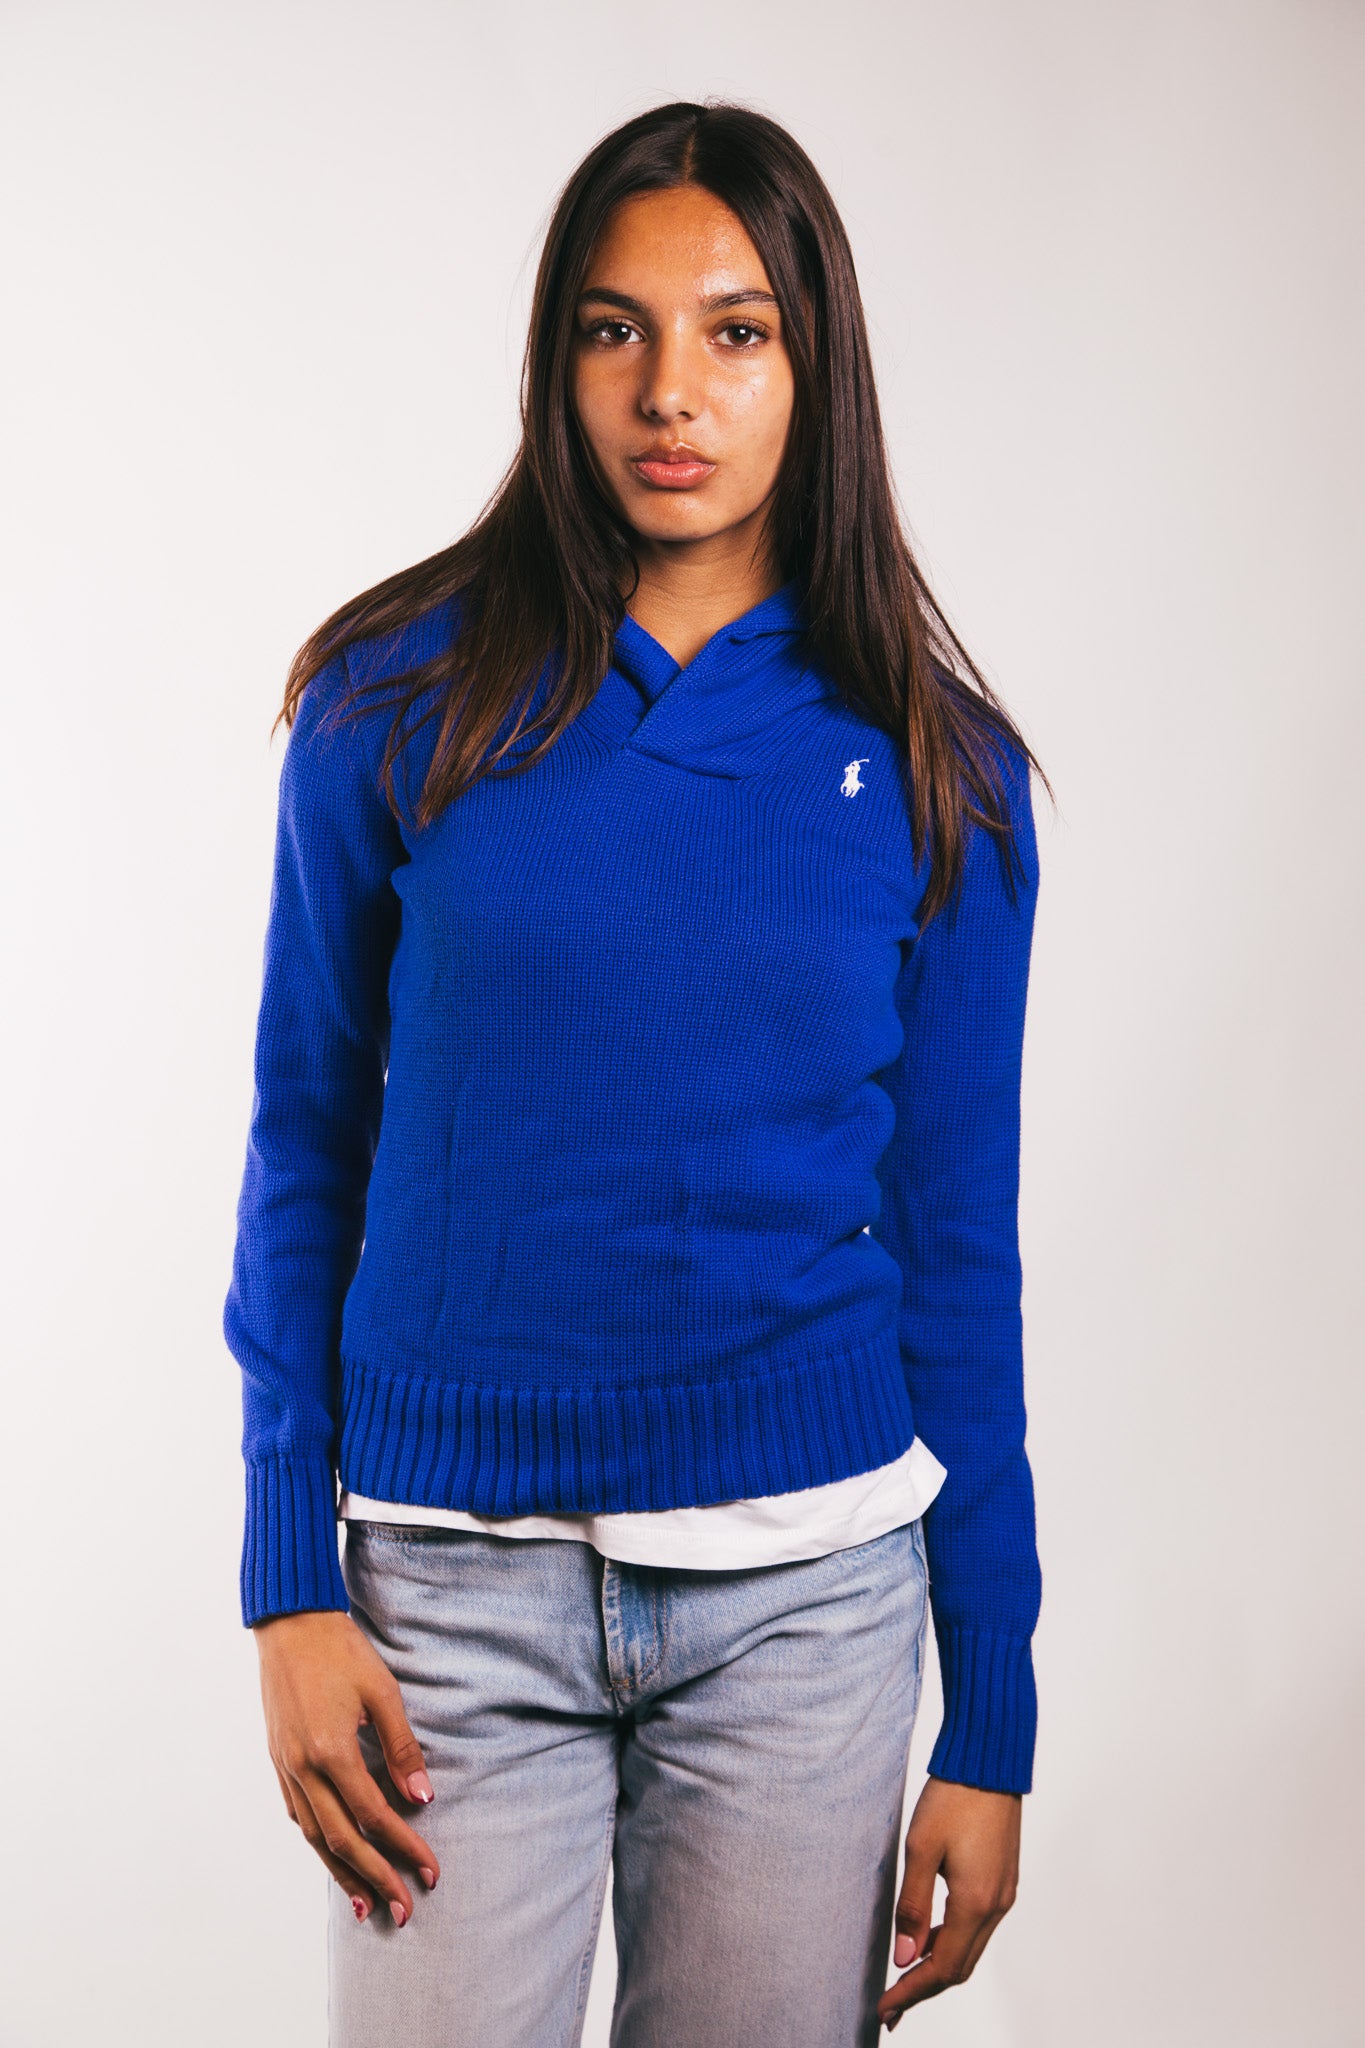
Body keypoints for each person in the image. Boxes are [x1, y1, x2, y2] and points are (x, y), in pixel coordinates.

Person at [224, 98, 1052, 2047]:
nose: (669, 390)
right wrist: (286, 1581)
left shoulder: (936, 773)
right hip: (445, 1606)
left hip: (807, 1610)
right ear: (555, 358)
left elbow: (955, 1254)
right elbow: (305, 1139)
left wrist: (990, 1713)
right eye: (616, 329)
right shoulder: (390, 702)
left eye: (733, 332)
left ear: (812, 365)